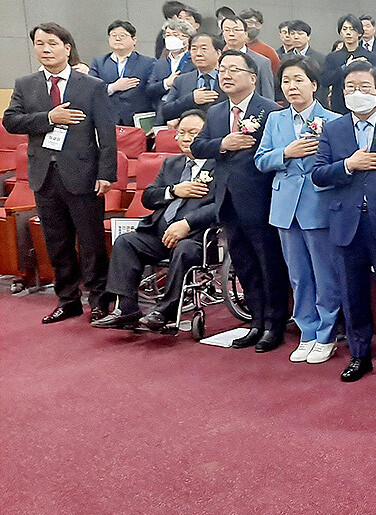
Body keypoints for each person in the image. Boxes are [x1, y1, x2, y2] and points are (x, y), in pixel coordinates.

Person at [3, 22, 118, 323]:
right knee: (56, 241)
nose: (45, 49)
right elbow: (11, 121)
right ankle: (68, 300)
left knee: (91, 242)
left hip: (83, 173)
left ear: (67, 48)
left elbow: (107, 134)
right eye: (39, 44)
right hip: (44, 174)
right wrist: (49, 117)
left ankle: (100, 300)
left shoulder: (91, 85)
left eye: (52, 43)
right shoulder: (25, 84)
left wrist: (106, 173)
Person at [312, 60, 376, 384]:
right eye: (351, 88)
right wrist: (348, 165)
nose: (357, 93)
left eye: (364, 87)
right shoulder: (333, 129)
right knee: (352, 292)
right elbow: (318, 174)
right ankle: (360, 354)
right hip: (346, 222)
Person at [189, 49, 288, 352]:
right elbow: (197, 146)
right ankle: (255, 321)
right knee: (244, 264)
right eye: (222, 70)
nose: (226, 75)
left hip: (261, 200)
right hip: (227, 201)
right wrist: (224, 143)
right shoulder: (217, 112)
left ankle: (275, 324)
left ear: (253, 78)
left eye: (234, 69)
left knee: (269, 264)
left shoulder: (269, 111)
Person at [92, 110, 218, 331]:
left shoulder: (220, 166)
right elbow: (148, 197)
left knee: (184, 249)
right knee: (126, 242)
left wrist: (187, 223)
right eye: (181, 133)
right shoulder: (172, 164)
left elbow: (221, 206)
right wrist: (174, 190)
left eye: (193, 133)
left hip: (197, 238)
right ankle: (126, 309)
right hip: (160, 235)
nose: (186, 138)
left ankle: (164, 311)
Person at [253, 56, 343, 364]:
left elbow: (337, 163)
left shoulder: (332, 120)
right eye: (286, 81)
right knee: (299, 275)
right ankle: (307, 331)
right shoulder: (275, 120)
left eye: (298, 80)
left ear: (314, 85)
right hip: (284, 206)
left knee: (324, 274)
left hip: (318, 203)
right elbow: (261, 159)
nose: (292, 86)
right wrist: (285, 153)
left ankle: (327, 333)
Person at [89, 20, 158, 126]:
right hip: (108, 120)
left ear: (134, 40)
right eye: (113, 35)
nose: (117, 39)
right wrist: (113, 87)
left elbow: (153, 90)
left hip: (137, 121)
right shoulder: (99, 62)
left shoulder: (149, 63)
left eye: (122, 35)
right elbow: (91, 90)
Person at [158, 33, 224, 125]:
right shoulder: (181, 80)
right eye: (194, 49)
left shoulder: (228, 78)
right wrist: (191, 99)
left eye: (204, 49)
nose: (198, 54)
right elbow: (166, 111)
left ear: (218, 53)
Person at [322, 15, 376, 112]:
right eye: (344, 29)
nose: (348, 32)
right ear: (340, 33)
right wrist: (345, 68)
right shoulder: (332, 57)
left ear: (360, 33)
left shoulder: (370, 56)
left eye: (352, 29)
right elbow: (324, 80)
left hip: (365, 105)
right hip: (339, 106)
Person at [220, 15, 275, 101]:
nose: (231, 34)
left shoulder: (262, 62)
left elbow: (268, 96)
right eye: (227, 30)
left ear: (246, 34)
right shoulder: (217, 60)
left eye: (236, 30)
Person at [146, 18, 195, 110]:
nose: (171, 38)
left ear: (187, 38)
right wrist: (166, 83)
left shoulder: (194, 60)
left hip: (188, 109)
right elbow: (150, 89)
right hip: (164, 110)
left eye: (175, 35)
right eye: (168, 35)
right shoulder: (160, 63)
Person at [240, 9, 281, 76]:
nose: (253, 26)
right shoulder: (230, 47)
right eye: (250, 22)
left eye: (257, 24)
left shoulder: (269, 52)